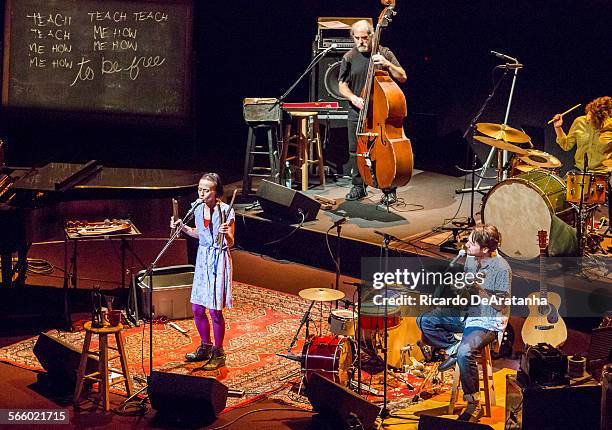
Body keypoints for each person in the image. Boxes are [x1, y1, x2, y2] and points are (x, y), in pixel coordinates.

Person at [417, 224, 512, 422]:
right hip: (467, 314)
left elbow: (501, 305)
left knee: (465, 352)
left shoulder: (501, 269)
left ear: (485, 249)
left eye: (472, 242)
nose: (466, 244)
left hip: (488, 322)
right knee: (424, 320)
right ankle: (452, 346)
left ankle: (473, 401)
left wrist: (479, 289)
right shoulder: (470, 258)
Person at [338, 19, 407, 204]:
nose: (361, 42)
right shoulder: (349, 57)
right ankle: (359, 186)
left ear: (372, 36)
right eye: (357, 38)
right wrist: (353, 98)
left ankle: (389, 188)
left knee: (384, 151)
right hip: (357, 112)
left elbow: (403, 77)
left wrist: (387, 64)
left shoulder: (384, 53)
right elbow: (342, 85)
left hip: (380, 114)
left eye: (364, 38)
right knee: (356, 151)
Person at [171, 173, 235, 370]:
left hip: (218, 259)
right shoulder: (196, 208)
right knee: (197, 308)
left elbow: (231, 242)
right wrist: (182, 227)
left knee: (215, 310)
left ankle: (219, 351)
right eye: (200, 189)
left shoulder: (226, 211)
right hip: (202, 258)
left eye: (206, 190)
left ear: (216, 193)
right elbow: (199, 234)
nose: (201, 193)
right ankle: (205, 346)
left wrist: (226, 235)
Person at [553, 96, 612, 171]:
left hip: (603, 172)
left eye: (592, 118)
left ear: (603, 117)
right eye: (589, 114)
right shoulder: (579, 121)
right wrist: (558, 128)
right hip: (580, 170)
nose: (588, 119)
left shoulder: (610, 125)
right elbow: (566, 145)